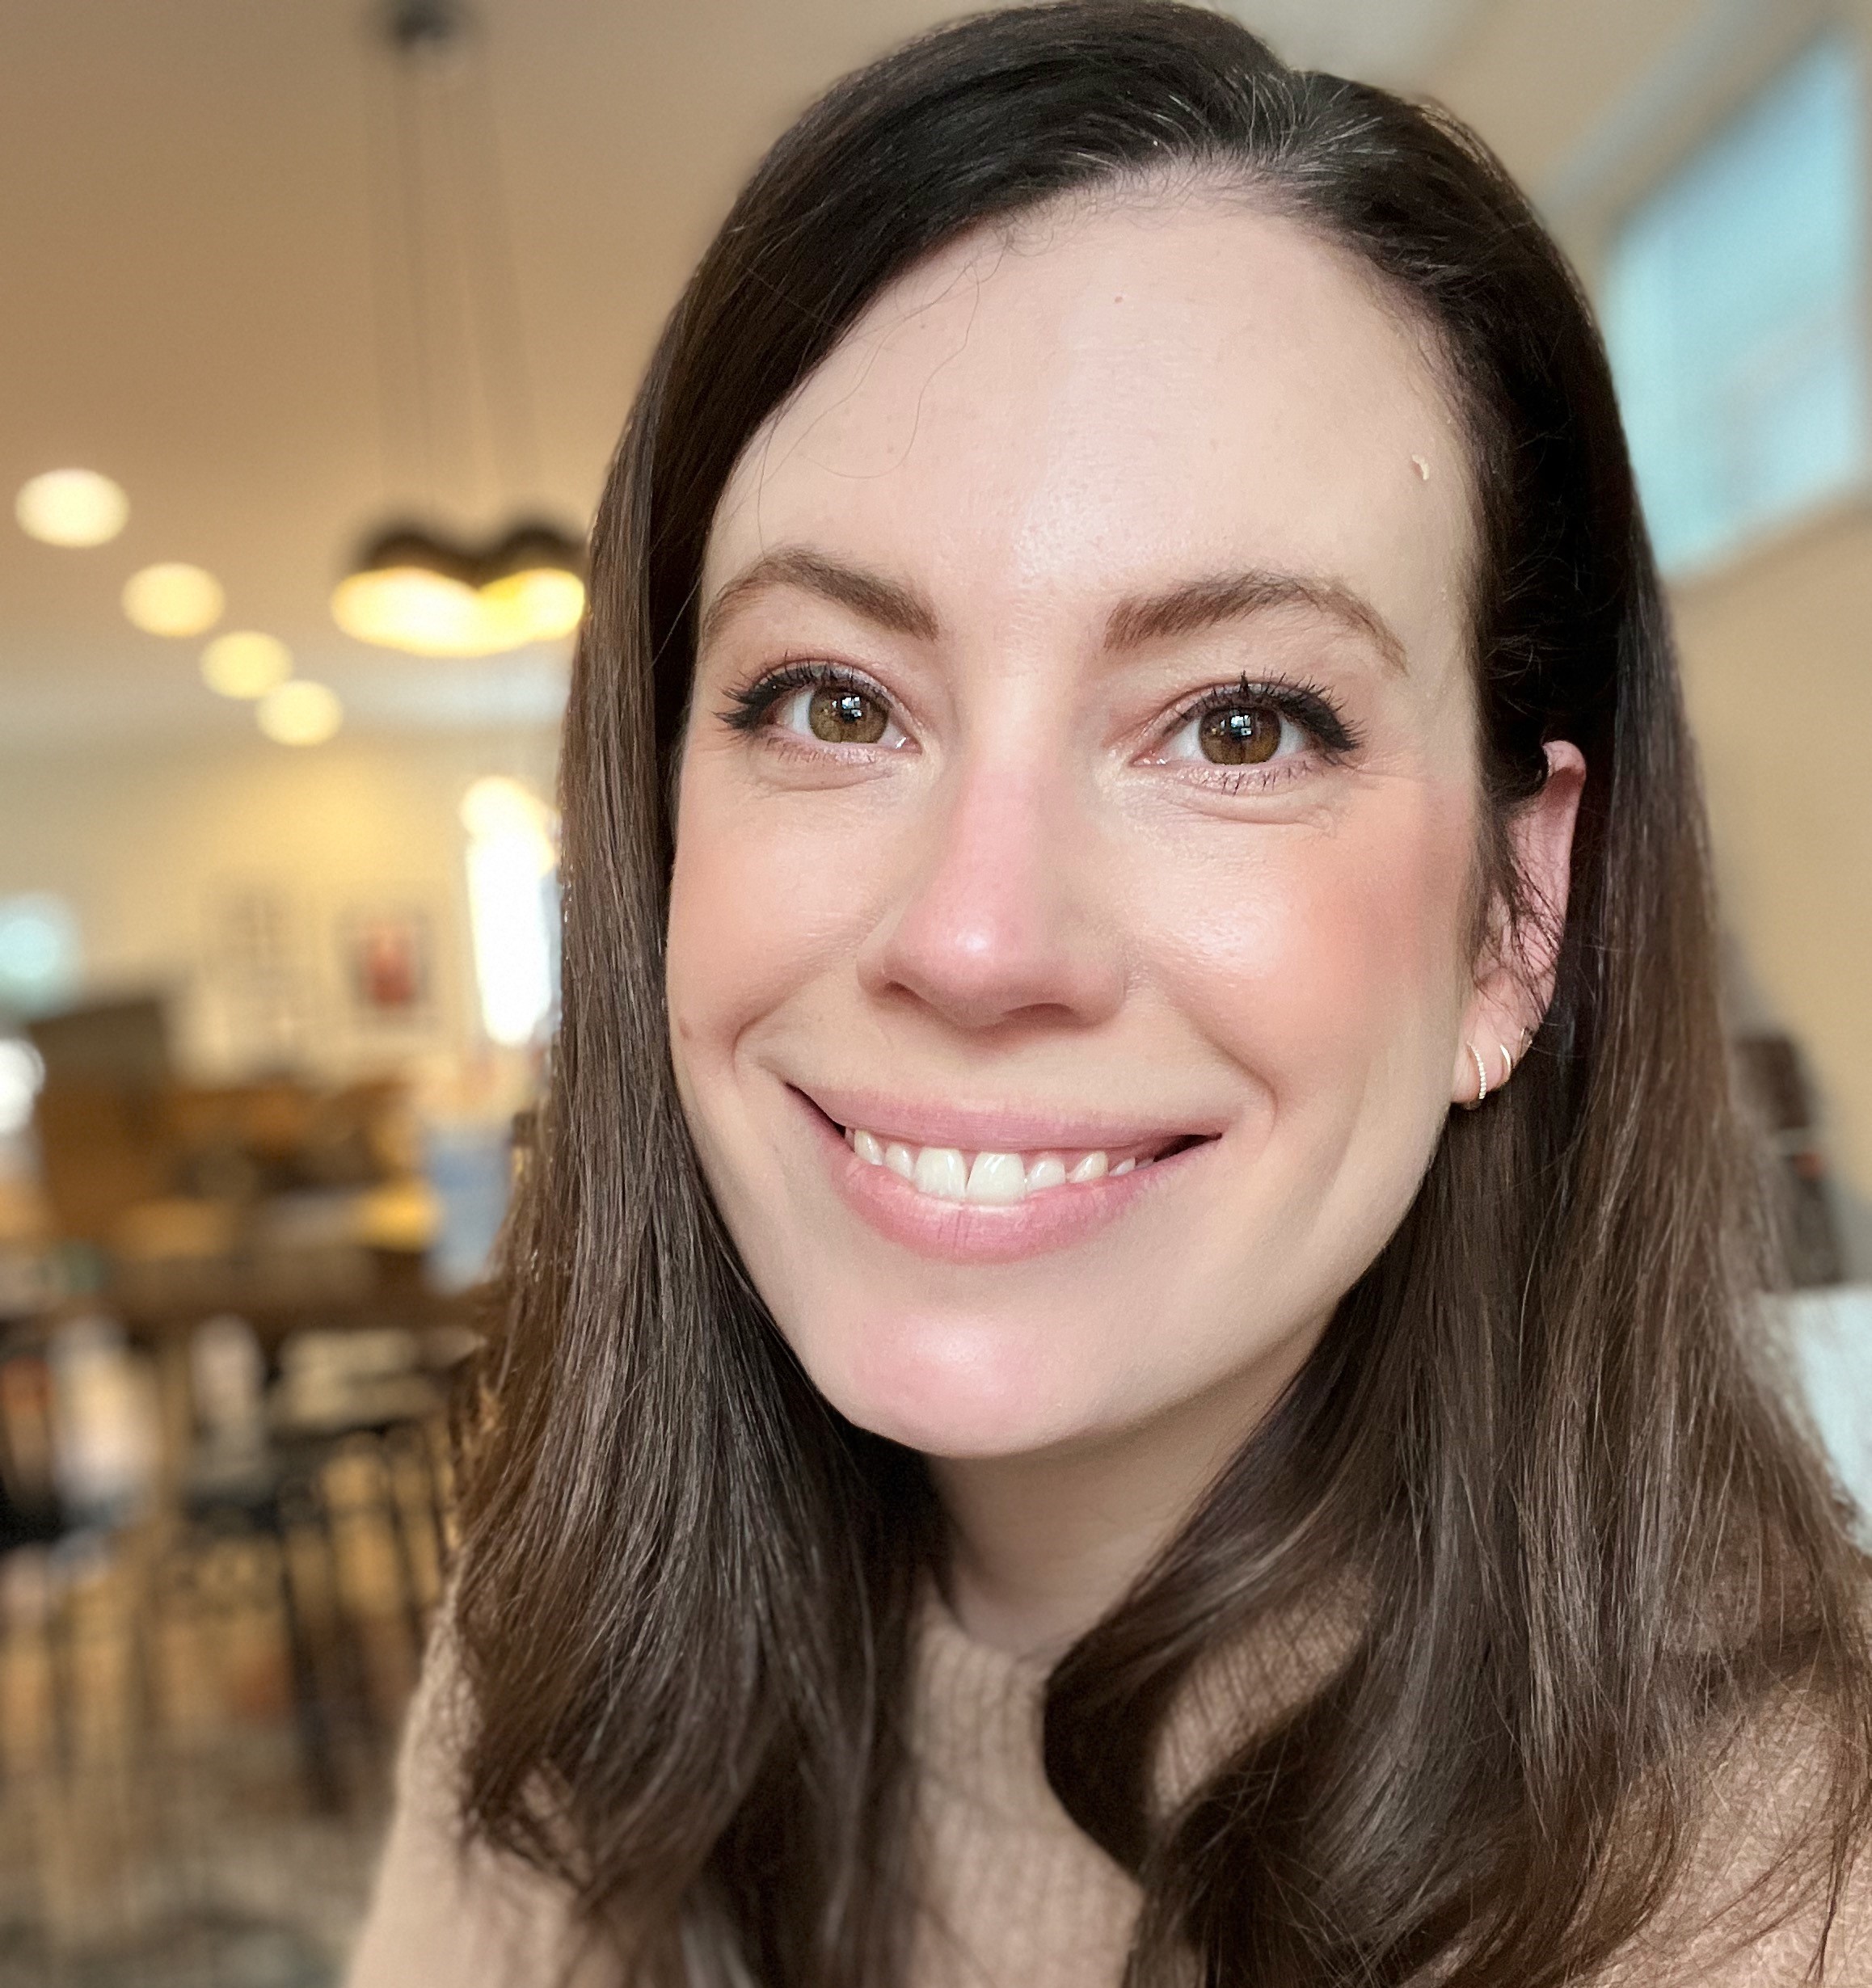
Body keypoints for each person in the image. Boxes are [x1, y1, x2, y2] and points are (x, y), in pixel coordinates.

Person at [346, 5, 1872, 1983]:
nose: (977, 943)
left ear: (1515, 914)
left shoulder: (1791, 1892)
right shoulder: (559, 1639)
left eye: (1240, 724)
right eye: (832, 701)